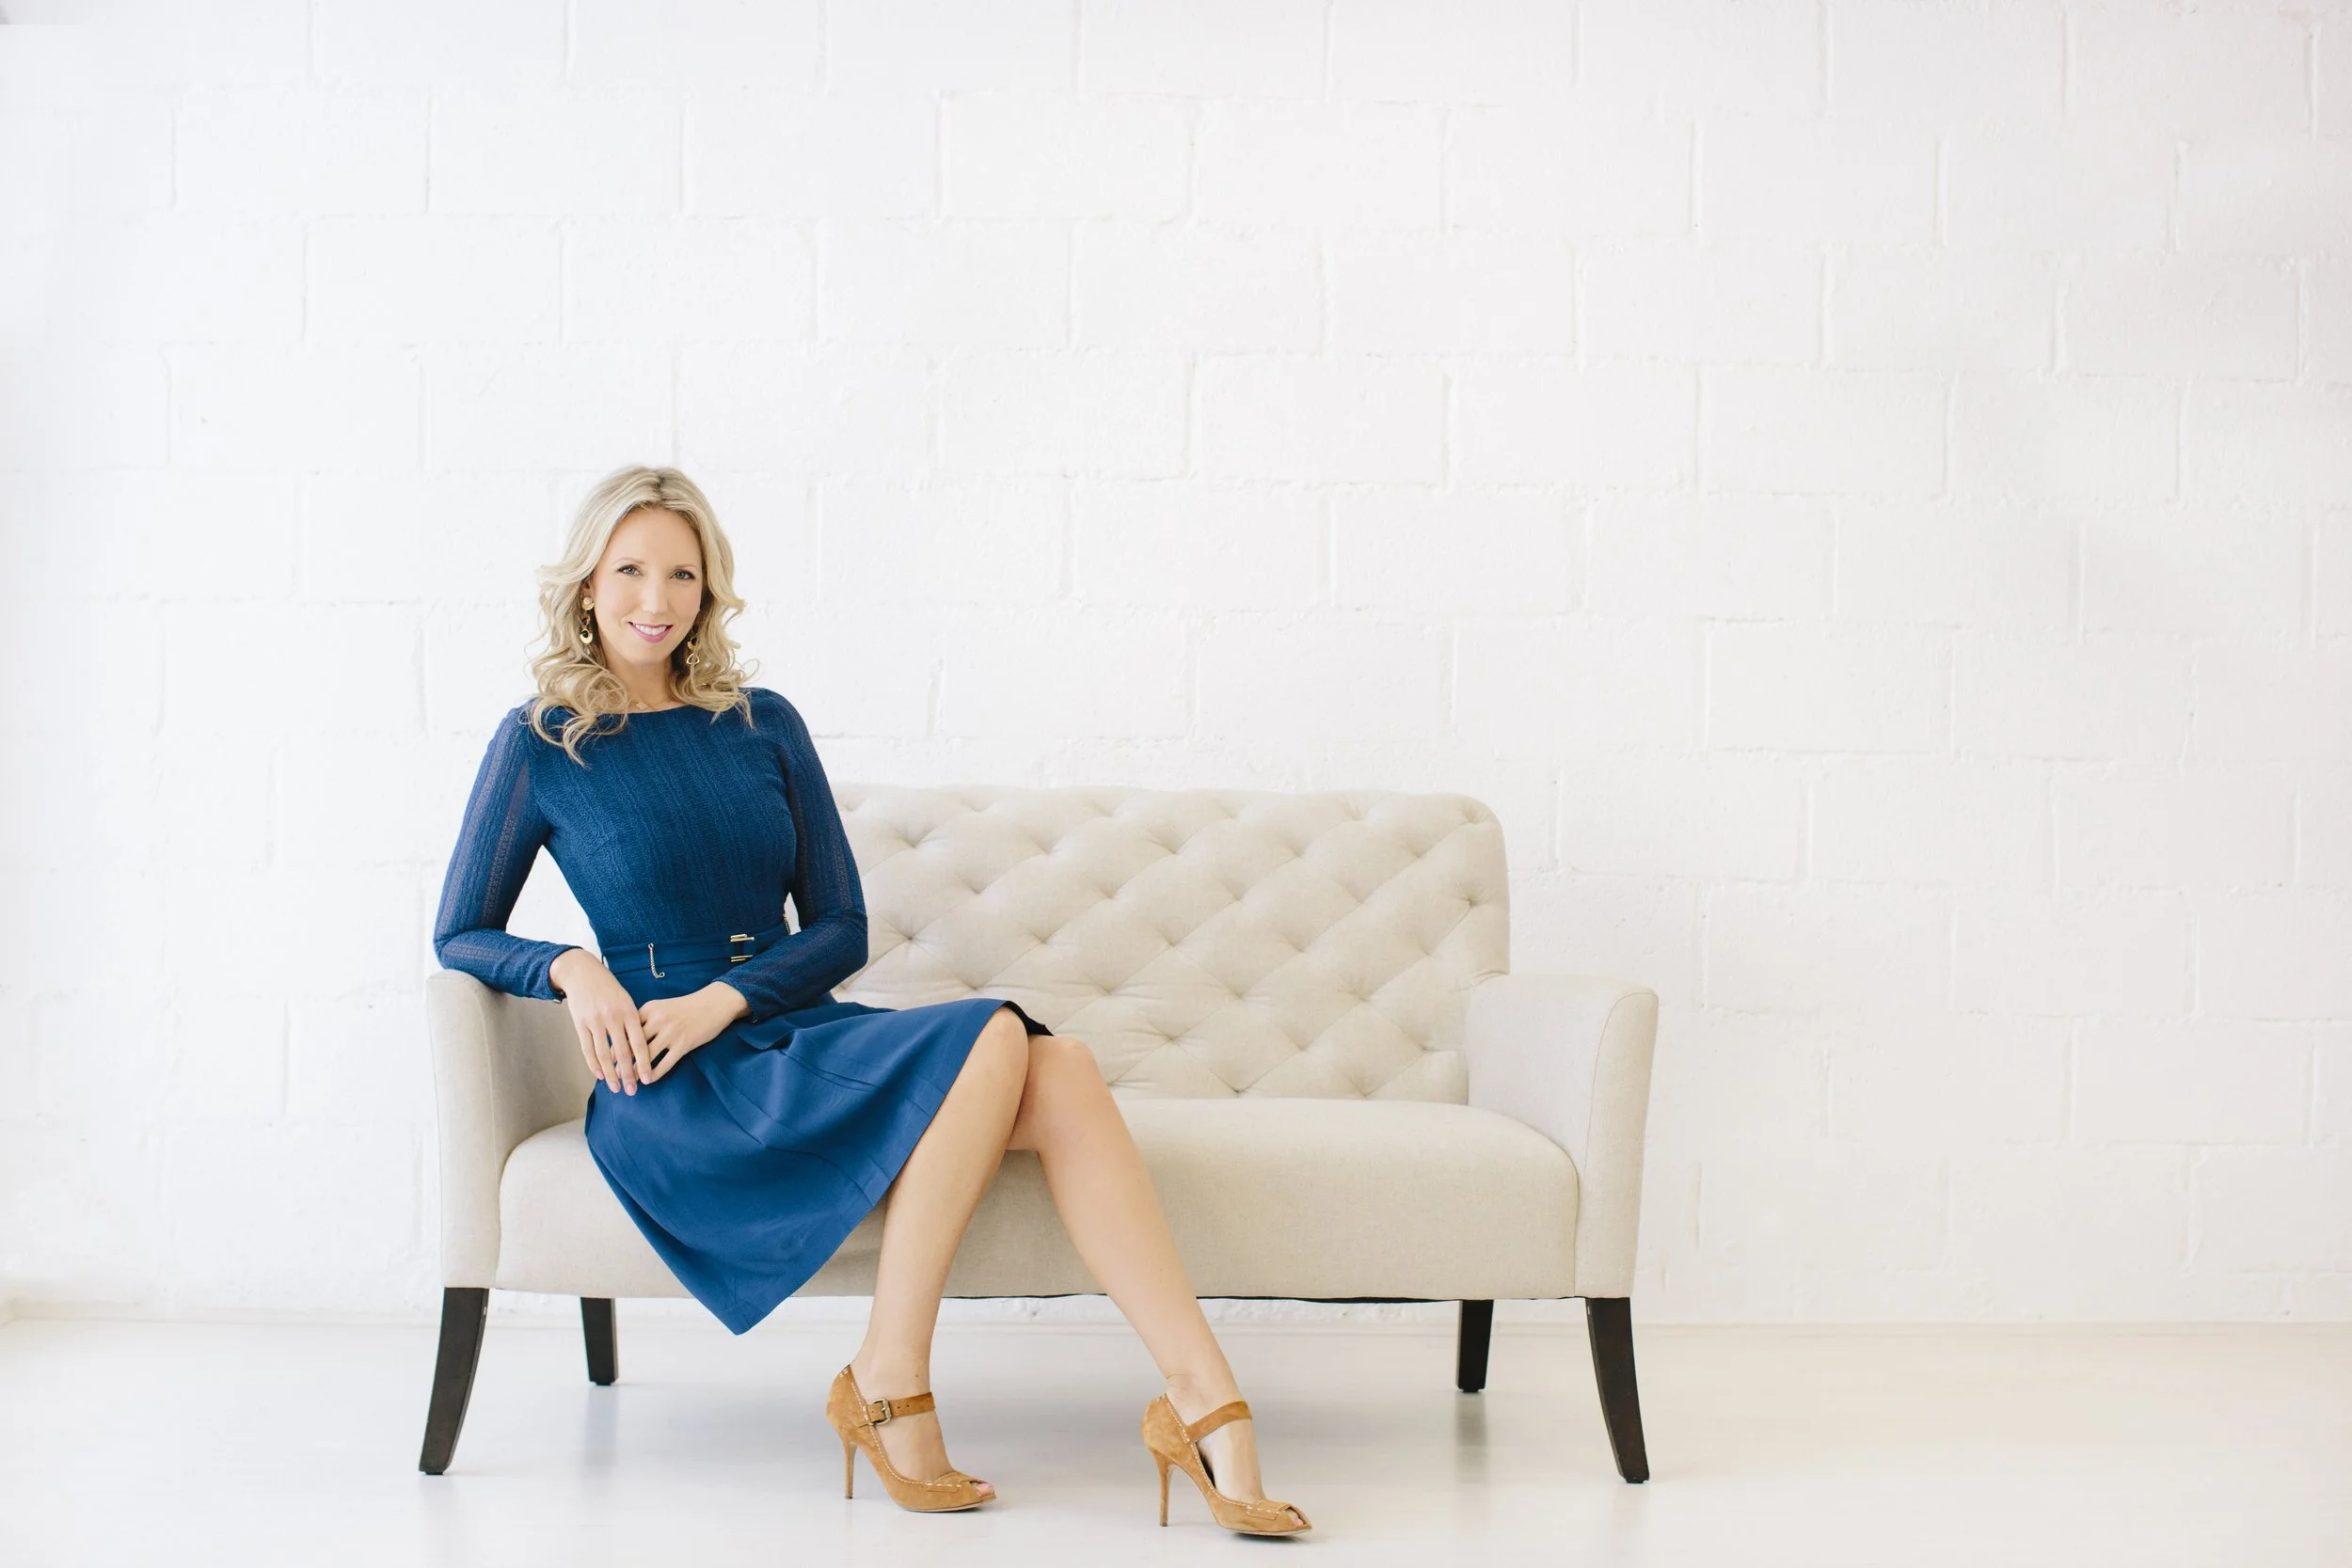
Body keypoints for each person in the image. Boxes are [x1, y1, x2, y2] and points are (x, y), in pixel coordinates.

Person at [431, 464, 1309, 1534]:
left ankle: (1198, 1398)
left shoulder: (762, 722)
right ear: (585, 584)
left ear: (709, 592)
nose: (654, 599)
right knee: (998, 1033)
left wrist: (729, 996)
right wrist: (572, 966)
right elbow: (459, 928)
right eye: (629, 570)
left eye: (680, 573)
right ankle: (897, 1379)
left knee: (1060, 1064)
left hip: (775, 1026)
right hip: (674, 1077)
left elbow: (841, 928)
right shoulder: (539, 741)